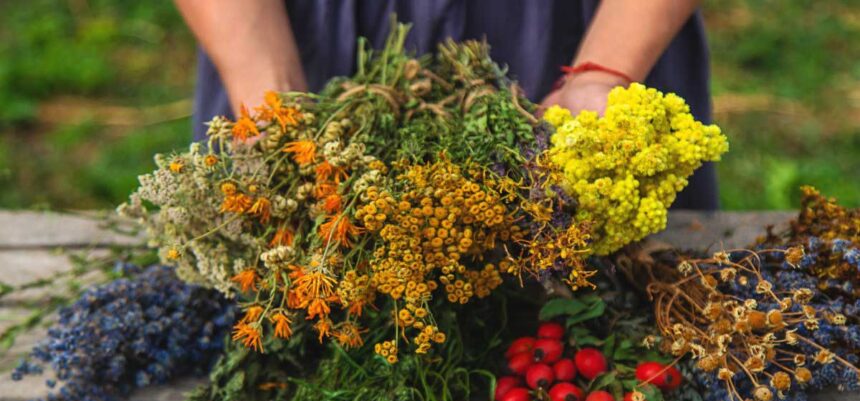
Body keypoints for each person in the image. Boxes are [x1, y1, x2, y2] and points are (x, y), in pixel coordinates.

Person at [176, 0, 718, 209]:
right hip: (284, 31)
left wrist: (602, 74)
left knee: (625, 329)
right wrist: (266, 84)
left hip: (593, 30)